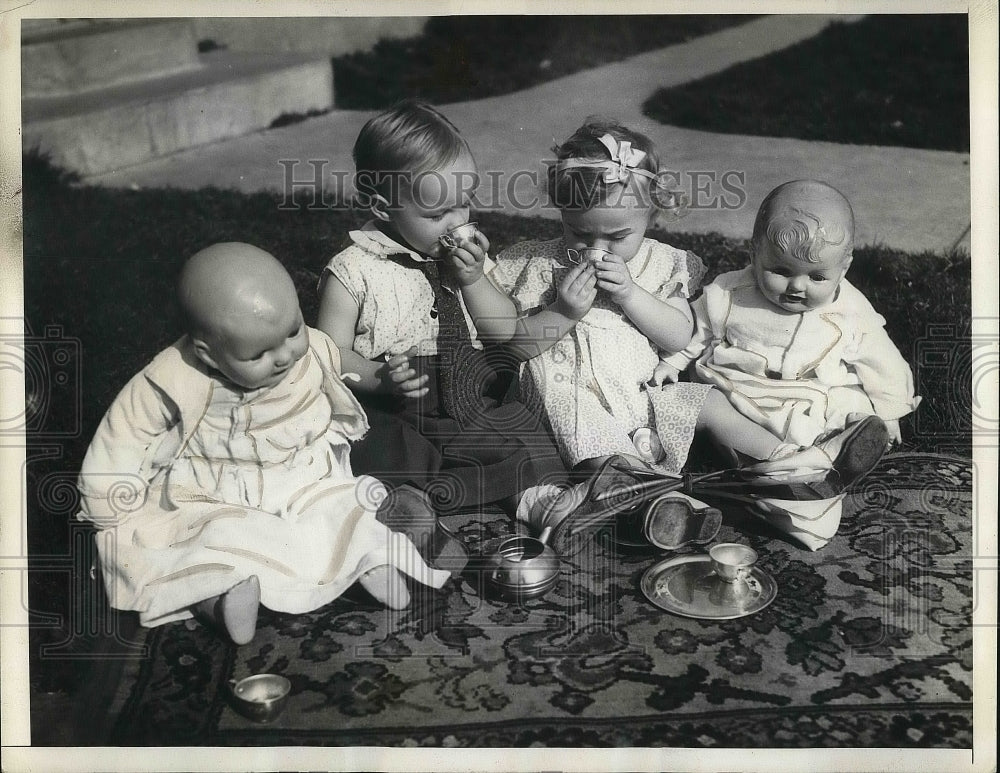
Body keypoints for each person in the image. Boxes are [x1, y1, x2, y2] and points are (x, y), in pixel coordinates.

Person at [491, 120, 890, 552]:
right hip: (572, 392)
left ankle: (788, 461)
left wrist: (629, 292)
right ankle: (641, 494)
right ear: (561, 214)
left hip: (645, 391)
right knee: (579, 417)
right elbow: (514, 345)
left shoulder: (662, 264)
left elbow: (679, 336)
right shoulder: (535, 263)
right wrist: (564, 311)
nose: (597, 250)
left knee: (708, 403)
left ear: (652, 214)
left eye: (618, 236)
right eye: (580, 233)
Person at [76, 243, 450, 646]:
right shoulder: (175, 376)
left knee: (346, 507)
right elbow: (125, 434)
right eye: (259, 353)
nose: (285, 355)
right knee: (208, 543)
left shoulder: (305, 345)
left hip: (306, 478)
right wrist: (105, 501)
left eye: (293, 332)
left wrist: (384, 379)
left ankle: (371, 561)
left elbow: (342, 365)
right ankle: (222, 598)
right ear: (209, 354)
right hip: (219, 495)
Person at [316, 100, 567, 530]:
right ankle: (410, 510)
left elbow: (504, 330)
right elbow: (327, 352)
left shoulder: (470, 262)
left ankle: (535, 499)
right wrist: (379, 378)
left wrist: (473, 280)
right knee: (387, 444)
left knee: (515, 426)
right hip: (397, 397)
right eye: (437, 214)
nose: (458, 223)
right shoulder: (354, 270)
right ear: (382, 207)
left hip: (469, 388)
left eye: (464, 204)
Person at [654, 179, 920, 456]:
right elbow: (698, 329)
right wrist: (673, 363)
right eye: (781, 271)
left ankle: (854, 438)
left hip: (814, 391)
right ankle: (805, 456)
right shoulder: (729, 293)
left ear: (843, 268)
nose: (797, 286)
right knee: (714, 407)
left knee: (849, 399)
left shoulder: (850, 309)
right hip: (740, 387)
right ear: (754, 254)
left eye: (817, 277)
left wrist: (891, 411)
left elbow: (881, 359)